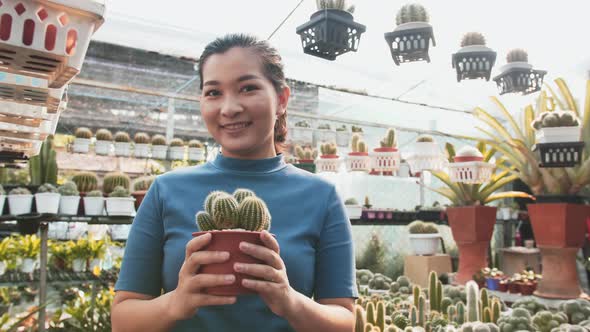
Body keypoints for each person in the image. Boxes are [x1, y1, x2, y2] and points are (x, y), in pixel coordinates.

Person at [111, 33, 357, 332]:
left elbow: (344, 320)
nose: (229, 108)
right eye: (213, 93)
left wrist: (289, 301)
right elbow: (123, 319)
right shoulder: (165, 190)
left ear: (281, 99)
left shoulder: (322, 196)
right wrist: (175, 303)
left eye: (248, 88)